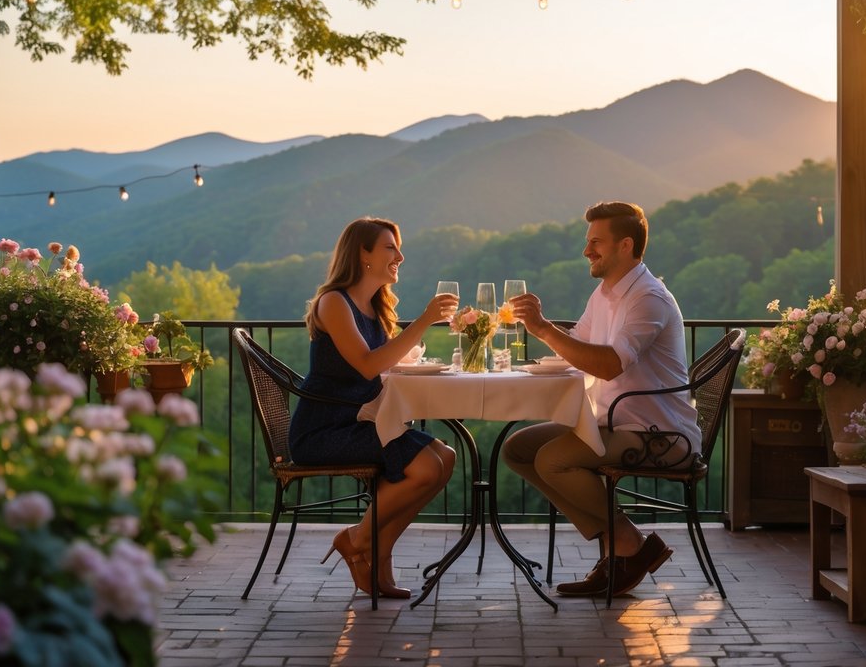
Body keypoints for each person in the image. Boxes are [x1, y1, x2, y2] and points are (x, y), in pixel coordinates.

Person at [503, 200, 701, 598]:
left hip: (659, 435)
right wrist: (543, 340)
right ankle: (624, 546)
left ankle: (627, 546)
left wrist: (542, 329)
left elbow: (609, 365)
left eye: (596, 242)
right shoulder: (607, 292)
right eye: (587, 241)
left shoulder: (648, 298)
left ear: (625, 246)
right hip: (615, 422)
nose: (586, 251)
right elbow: (578, 347)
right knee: (517, 449)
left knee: (553, 460)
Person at [290, 217, 459, 599]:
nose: (400, 255)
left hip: (362, 423)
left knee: (445, 459)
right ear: (363, 254)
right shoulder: (334, 302)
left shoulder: (374, 306)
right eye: (389, 247)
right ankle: (356, 540)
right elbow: (368, 365)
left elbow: (386, 364)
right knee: (426, 466)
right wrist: (425, 322)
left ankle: (377, 553)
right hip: (325, 430)